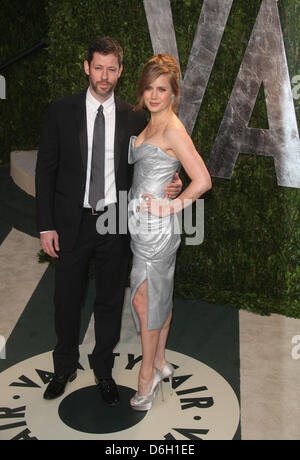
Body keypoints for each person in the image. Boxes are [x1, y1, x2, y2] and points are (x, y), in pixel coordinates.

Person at [36, 37, 182, 406]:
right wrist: (46, 224)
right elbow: (45, 171)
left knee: (109, 299)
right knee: (66, 299)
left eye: (111, 68)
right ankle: (64, 366)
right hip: (70, 221)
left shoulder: (134, 116)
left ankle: (103, 369)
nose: (104, 76)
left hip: (116, 220)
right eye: (98, 67)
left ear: (119, 71)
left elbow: (150, 162)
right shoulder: (60, 110)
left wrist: (173, 182)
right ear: (87, 67)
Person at [128, 54, 212, 411]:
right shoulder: (150, 123)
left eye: (162, 89)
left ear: (174, 94)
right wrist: (172, 182)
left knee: (142, 301)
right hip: (140, 228)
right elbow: (164, 171)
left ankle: (146, 375)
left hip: (157, 231)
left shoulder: (173, 130)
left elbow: (203, 180)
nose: (154, 95)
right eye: (149, 87)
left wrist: (170, 206)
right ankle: (160, 360)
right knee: (158, 296)